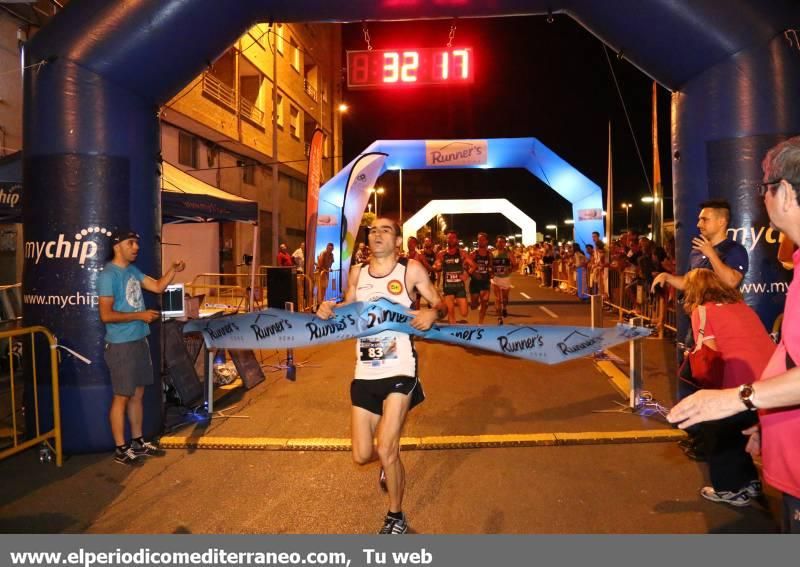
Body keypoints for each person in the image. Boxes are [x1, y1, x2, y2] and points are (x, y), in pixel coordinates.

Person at [667, 136, 800, 532]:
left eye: (765, 188)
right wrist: (766, 415)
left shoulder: (729, 260)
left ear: (788, 194)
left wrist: (739, 397)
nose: (762, 199)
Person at [316, 217, 444, 534]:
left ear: (398, 241)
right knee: (362, 455)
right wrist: (329, 308)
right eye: (373, 229)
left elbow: (437, 301)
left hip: (400, 368)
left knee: (387, 447)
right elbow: (348, 306)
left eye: (385, 229)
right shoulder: (358, 273)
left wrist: (431, 311)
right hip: (364, 370)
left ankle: (395, 515)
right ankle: (390, 467)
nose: (377, 233)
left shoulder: (410, 269)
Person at [680, 268, 775, 507]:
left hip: (737, 380)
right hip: (770, 380)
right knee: (744, 431)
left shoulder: (702, 310)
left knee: (719, 433)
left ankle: (730, 489)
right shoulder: (743, 307)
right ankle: (751, 481)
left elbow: (708, 351)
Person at [97, 228, 185, 466]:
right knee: (121, 397)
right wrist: (140, 315)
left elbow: (157, 286)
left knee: (137, 394)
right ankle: (120, 448)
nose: (136, 247)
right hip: (121, 345)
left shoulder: (132, 270)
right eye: (131, 243)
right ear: (117, 246)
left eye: (136, 243)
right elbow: (106, 315)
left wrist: (173, 271)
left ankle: (138, 441)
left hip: (139, 340)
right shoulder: (108, 275)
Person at [651, 200, 748, 292]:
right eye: (699, 220)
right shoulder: (697, 251)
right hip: (699, 309)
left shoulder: (735, 250)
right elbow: (689, 282)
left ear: (721, 222)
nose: (699, 224)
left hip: (722, 308)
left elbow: (731, 282)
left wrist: (712, 255)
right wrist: (667, 277)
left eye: (705, 220)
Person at [434, 230, 475, 324]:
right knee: (451, 312)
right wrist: (437, 267)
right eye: (449, 238)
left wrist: (467, 274)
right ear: (446, 239)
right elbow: (436, 267)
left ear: (456, 240)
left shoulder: (462, 253)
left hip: (459, 287)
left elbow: (474, 266)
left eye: (453, 238)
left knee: (464, 313)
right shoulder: (441, 254)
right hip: (447, 287)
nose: (451, 240)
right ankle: (452, 335)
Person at [468, 232, 493, 324]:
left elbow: (491, 266)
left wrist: (491, 273)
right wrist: (474, 273)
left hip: (485, 282)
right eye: (479, 239)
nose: (480, 241)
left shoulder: (489, 255)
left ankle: (480, 324)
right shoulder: (473, 254)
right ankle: (475, 303)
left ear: (486, 241)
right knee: (474, 305)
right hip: (475, 282)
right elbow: (466, 266)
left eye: (482, 240)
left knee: (485, 302)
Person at [491, 235, 516, 322]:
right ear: (496, 243)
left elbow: (515, 265)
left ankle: (504, 308)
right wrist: (491, 272)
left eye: (502, 242)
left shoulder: (509, 254)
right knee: (497, 298)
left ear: (505, 243)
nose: (500, 244)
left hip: (506, 278)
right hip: (496, 278)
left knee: (505, 298)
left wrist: (510, 270)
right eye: (498, 242)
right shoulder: (493, 254)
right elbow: (490, 266)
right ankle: (499, 317)